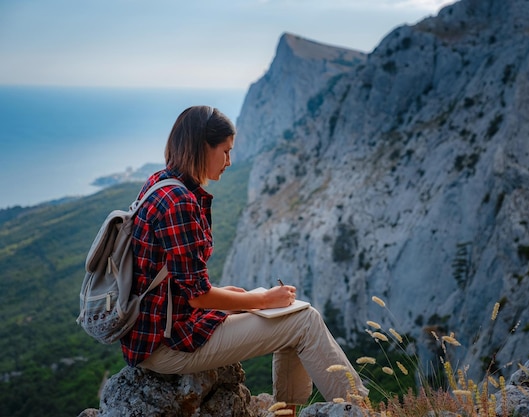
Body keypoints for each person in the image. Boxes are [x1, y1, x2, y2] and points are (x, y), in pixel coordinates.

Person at [120, 105, 368, 410]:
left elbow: (176, 281)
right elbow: (198, 296)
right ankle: (361, 411)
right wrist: (262, 301)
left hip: (161, 329)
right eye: (224, 151)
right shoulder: (179, 203)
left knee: (291, 317)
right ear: (201, 148)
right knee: (304, 320)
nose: (229, 161)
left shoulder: (160, 183)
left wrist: (239, 297)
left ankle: (287, 414)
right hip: (168, 345)